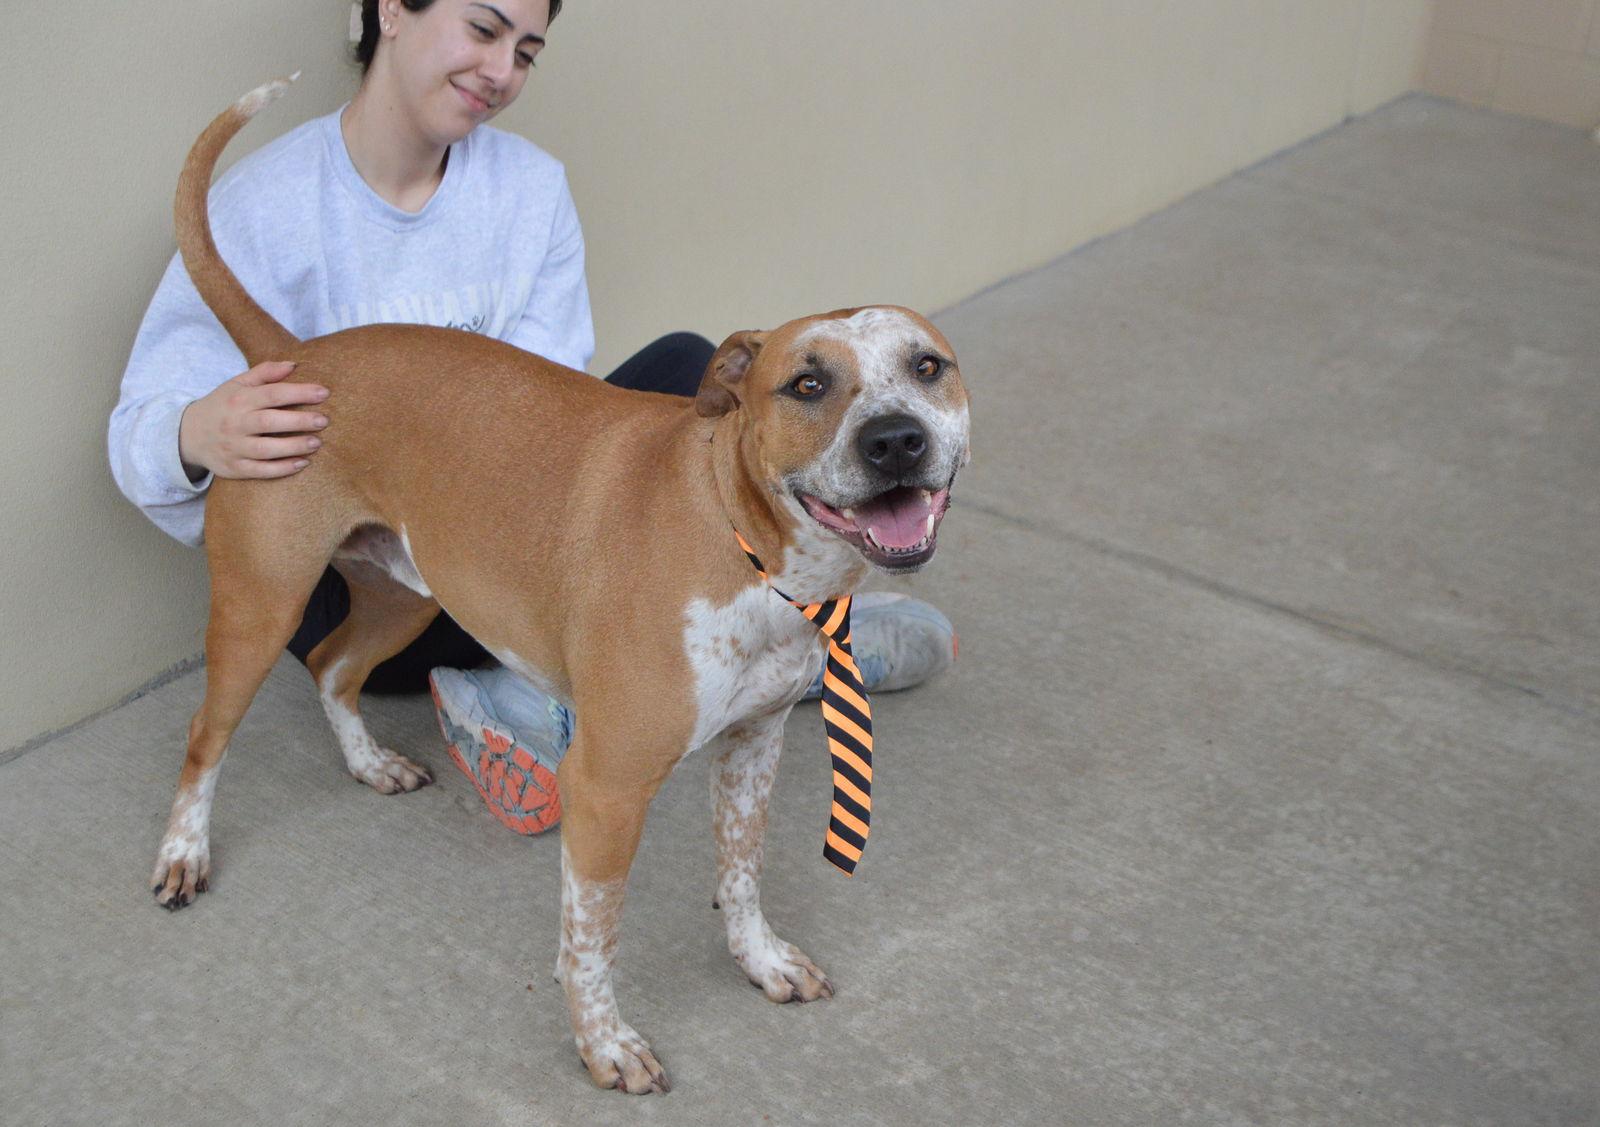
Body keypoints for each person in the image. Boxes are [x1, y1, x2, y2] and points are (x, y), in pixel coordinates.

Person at [109, 0, 955, 835]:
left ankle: (725, 657)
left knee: (686, 369)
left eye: (526, 51)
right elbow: (137, 433)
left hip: (497, 527)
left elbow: (548, 404)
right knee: (618, 615)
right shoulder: (264, 202)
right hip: (359, 559)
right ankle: (607, 686)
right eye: (482, 29)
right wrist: (195, 432)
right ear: (390, 12)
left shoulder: (528, 186)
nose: (500, 71)